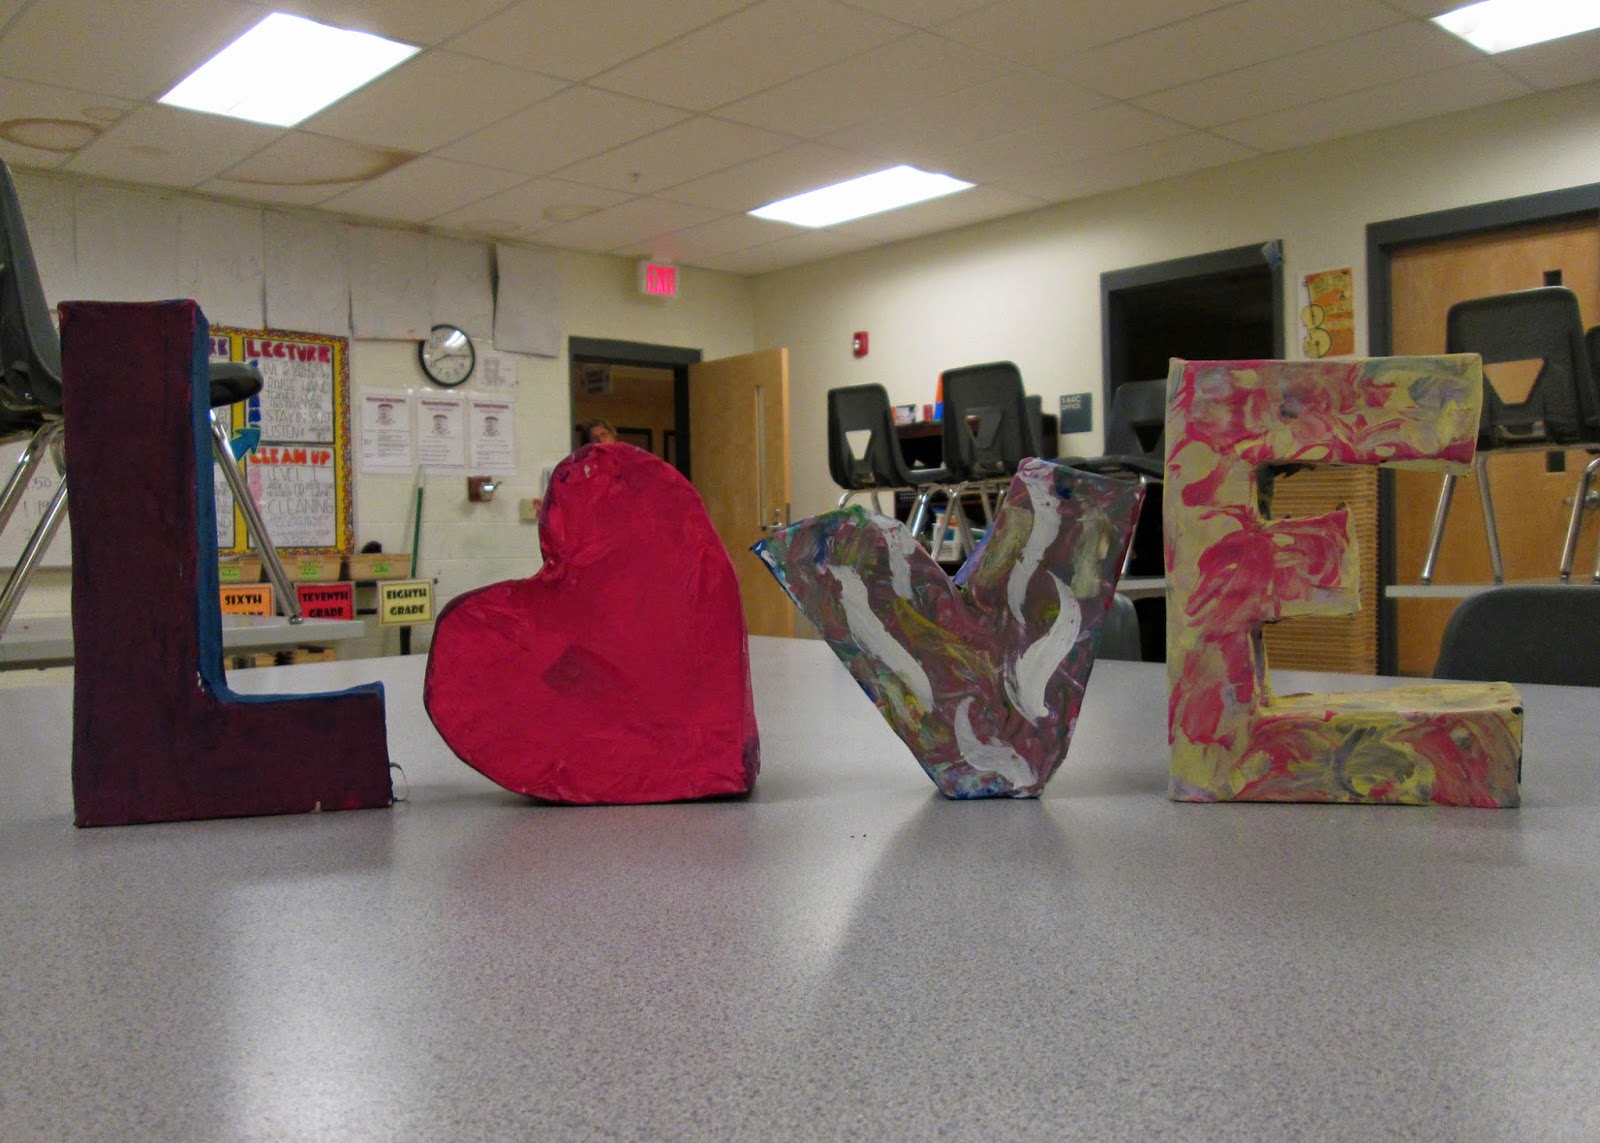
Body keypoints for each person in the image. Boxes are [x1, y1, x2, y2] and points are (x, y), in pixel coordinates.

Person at [530, 418, 620, 515]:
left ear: (613, 436)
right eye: (595, 438)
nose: (601, 440)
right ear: (588, 445)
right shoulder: (582, 471)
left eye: (604, 434)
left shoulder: (626, 462)